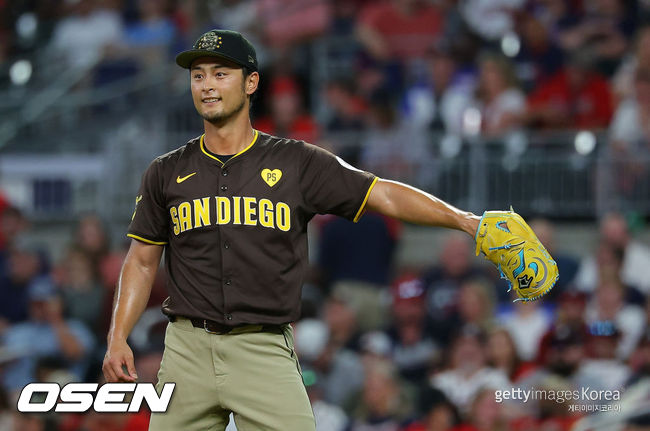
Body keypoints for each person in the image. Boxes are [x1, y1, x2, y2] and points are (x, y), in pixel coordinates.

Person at [102, 29, 543, 431]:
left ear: (250, 83)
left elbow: (382, 194)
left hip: (264, 346)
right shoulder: (165, 171)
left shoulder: (296, 162)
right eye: (198, 76)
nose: (207, 85)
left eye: (221, 73)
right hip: (186, 351)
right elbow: (141, 261)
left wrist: (467, 221)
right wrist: (118, 335)